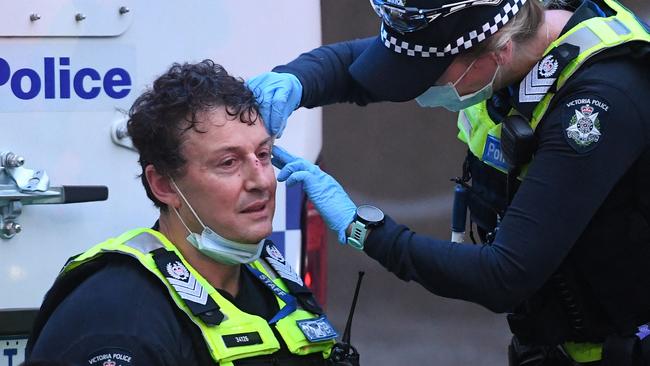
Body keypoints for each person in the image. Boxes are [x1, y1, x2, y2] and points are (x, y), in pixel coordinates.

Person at [249, 0, 650, 364]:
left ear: (498, 53)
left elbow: (503, 276)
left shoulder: (595, 108)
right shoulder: (518, 32)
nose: (417, 87)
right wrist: (297, 80)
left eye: (426, 75)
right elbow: (367, 64)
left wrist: (362, 228)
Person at [25, 60, 340, 366]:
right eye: (228, 163)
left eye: (263, 154)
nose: (261, 180)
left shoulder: (272, 277)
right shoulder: (117, 313)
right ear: (164, 185)